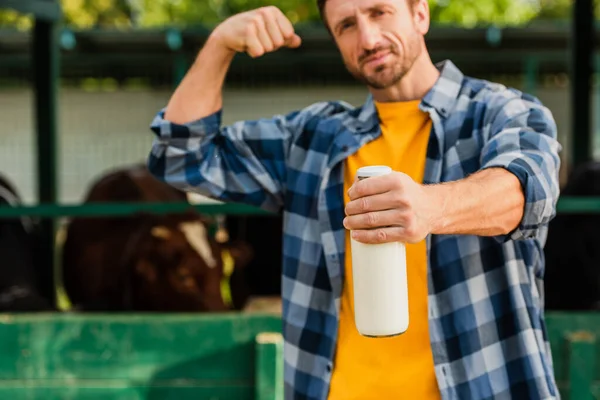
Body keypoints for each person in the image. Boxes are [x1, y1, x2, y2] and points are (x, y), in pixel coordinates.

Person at [146, 0, 562, 398]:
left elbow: (528, 193)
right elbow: (181, 158)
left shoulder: (502, 112)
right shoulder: (314, 138)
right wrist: (220, 44)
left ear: (420, 14)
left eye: (380, 12)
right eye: (346, 25)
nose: (367, 38)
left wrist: (428, 207)